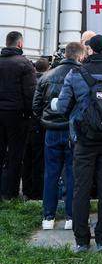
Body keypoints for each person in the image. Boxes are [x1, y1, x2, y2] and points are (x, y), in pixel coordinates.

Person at [53, 34, 102, 252]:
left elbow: (62, 108)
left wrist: (55, 104)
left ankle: (81, 241)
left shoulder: (76, 74)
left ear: (91, 50)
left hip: (83, 139)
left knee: (81, 188)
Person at [33, 43, 83, 229]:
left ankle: (48, 217)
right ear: (79, 56)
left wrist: (46, 121)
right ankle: (71, 216)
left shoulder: (47, 76)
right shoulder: (81, 75)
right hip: (72, 130)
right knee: (72, 174)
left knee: (51, 174)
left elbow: (36, 106)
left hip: (52, 130)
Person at [0, 30, 36, 199]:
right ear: (20, 44)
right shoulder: (25, 64)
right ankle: (10, 193)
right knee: (15, 154)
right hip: (17, 115)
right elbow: (30, 93)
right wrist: (31, 114)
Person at [22, 57, 50, 200]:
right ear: (48, 68)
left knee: (26, 159)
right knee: (38, 161)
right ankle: (36, 193)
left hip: (27, 124)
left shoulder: (29, 81)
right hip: (39, 125)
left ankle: (26, 190)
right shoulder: (46, 82)